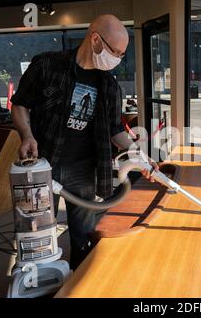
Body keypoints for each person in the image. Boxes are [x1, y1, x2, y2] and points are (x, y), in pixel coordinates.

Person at [11, 14, 158, 269]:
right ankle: (36, 280)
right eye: (116, 52)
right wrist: (27, 135)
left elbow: (114, 130)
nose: (118, 60)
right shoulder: (47, 65)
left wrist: (139, 154)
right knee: (35, 232)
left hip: (85, 171)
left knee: (84, 237)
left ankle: (79, 284)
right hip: (42, 165)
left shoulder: (111, 86)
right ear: (95, 39)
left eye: (123, 55)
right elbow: (20, 104)